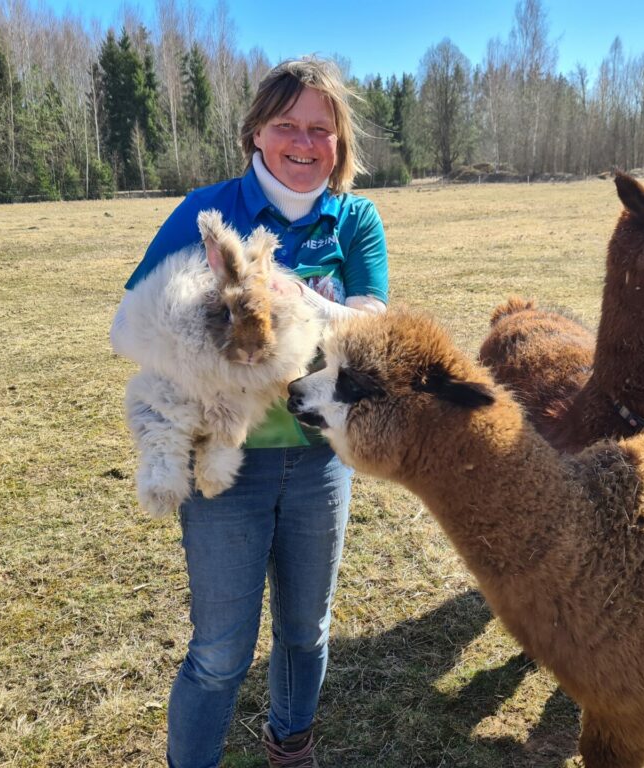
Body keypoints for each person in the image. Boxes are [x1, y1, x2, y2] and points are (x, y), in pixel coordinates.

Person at [110, 57, 389, 768]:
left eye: (320, 129)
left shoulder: (355, 220)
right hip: (224, 468)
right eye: (286, 125)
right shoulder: (208, 210)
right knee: (219, 650)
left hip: (322, 463)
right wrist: (211, 329)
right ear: (256, 133)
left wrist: (300, 300)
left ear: (340, 142)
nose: (303, 142)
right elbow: (127, 326)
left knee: (306, 631)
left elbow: (372, 338)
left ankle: (290, 744)